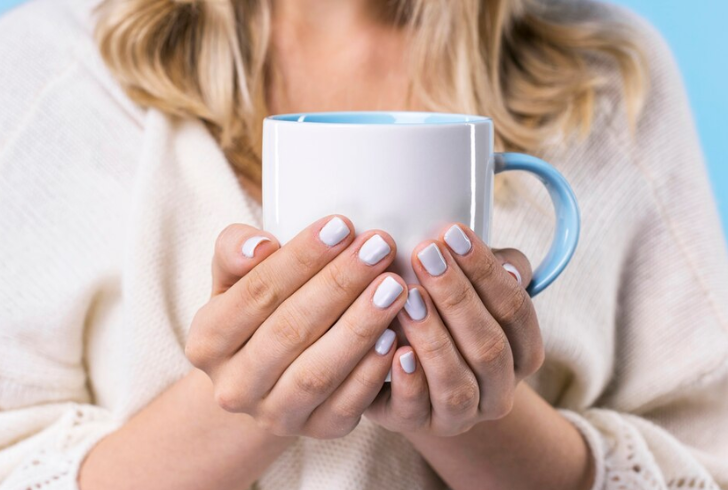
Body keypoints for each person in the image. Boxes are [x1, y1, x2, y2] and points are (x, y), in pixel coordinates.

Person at [1, 0, 726, 488]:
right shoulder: (53, 64)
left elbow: (707, 460)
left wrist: (475, 416)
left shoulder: (608, 74)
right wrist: (246, 403)